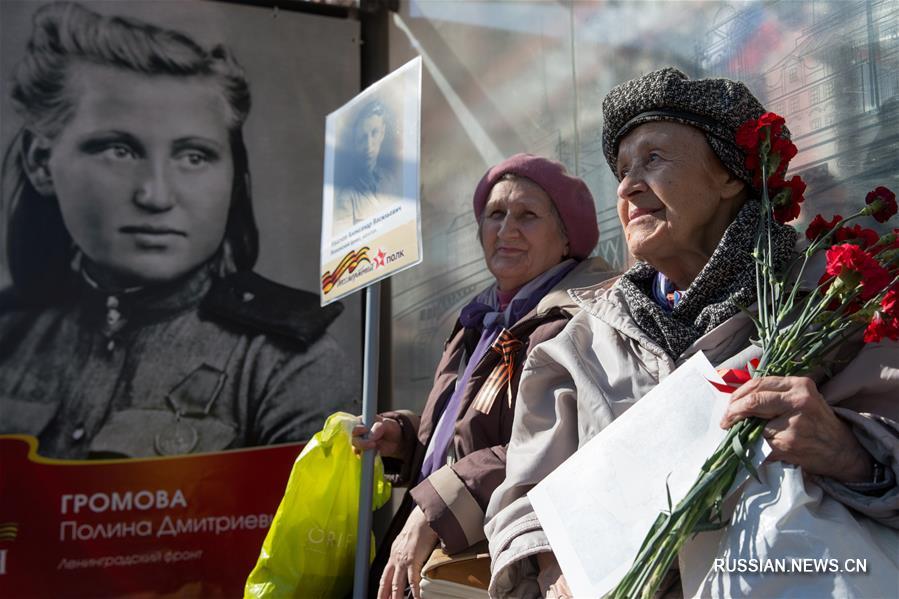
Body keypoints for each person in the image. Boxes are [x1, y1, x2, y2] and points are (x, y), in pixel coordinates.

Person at [484, 68, 899, 598]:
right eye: (622, 170)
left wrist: (847, 451)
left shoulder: (827, 305)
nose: (629, 185)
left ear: (729, 176)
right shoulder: (576, 345)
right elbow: (522, 503)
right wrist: (553, 571)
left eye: (653, 160)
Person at [0, 2, 356, 459]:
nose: (156, 195)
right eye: (118, 150)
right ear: (39, 162)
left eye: (193, 156)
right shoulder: (11, 336)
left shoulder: (285, 365)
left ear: (232, 174)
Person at [351, 153, 617, 598]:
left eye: (527, 215)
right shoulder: (480, 318)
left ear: (567, 237)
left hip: (505, 558)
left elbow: (553, 444)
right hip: (439, 541)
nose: (506, 229)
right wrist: (403, 436)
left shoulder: (577, 318)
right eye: (495, 214)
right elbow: (466, 430)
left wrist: (433, 506)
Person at [332, 99, 398, 233]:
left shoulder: (392, 180)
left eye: (374, 133)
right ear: (355, 142)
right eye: (362, 138)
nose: (369, 146)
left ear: (382, 133)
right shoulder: (346, 198)